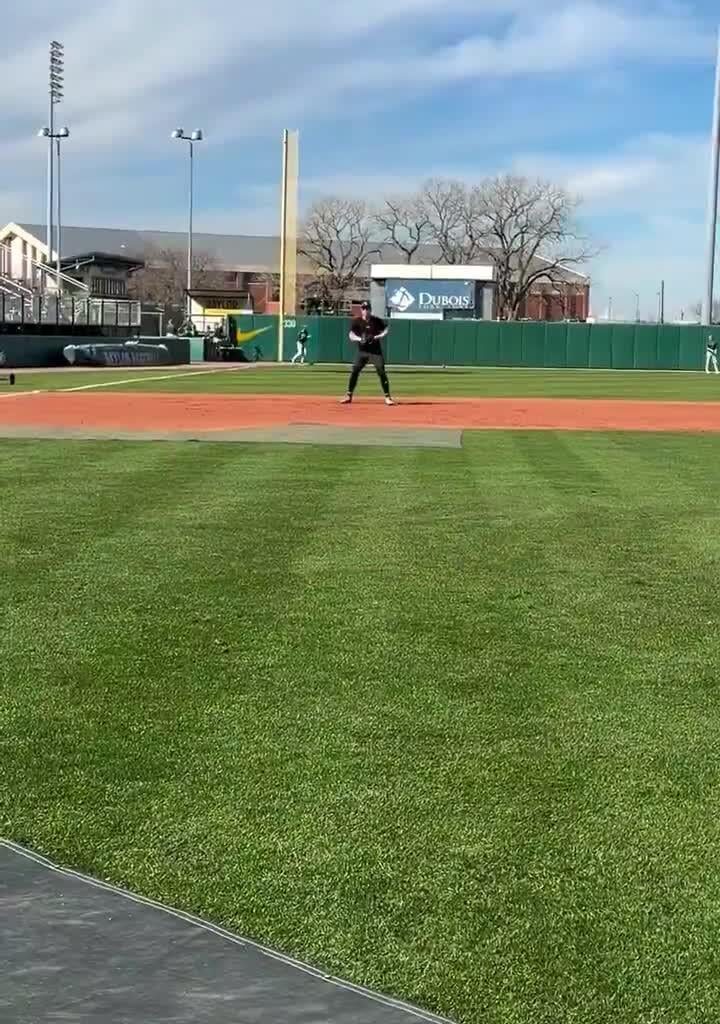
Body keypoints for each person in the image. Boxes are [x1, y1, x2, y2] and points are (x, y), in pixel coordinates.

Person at [342, 302, 394, 405]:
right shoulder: (357, 321)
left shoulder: (376, 321)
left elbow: (386, 329)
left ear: (370, 310)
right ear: (361, 310)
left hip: (375, 352)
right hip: (363, 351)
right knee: (355, 370)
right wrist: (359, 339)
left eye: (367, 309)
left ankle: (387, 397)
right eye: (364, 309)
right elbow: (351, 334)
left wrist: (377, 337)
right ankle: (348, 395)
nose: (365, 311)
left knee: (381, 371)